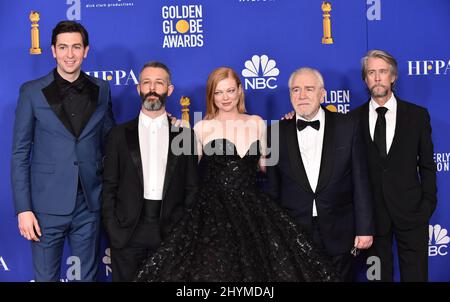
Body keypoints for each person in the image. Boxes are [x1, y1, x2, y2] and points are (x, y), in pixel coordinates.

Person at [134, 67, 338, 282]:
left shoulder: (257, 123)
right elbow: (182, 172)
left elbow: (269, 167)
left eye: (230, 91)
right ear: (211, 95)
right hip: (212, 214)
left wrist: (291, 124)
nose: (225, 98)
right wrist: (170, 128)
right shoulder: (202, 127)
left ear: (240, 90)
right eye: (218, 92)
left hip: (254, 211)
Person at [10, 20, 115, 281]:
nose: (70, 54)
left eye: (76, 47)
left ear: (86, 51)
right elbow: (20, 154)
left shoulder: (102, 90)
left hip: (88, 205)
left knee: (86, 278)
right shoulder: (32, 92)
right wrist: (23, 209)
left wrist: (157, 120)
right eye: (64, 47)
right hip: (44, 208)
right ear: (53, 51)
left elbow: (112, 141)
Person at [266, 67, 374, 281]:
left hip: (339, 230)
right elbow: (273, 188)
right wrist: (274, 234)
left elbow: (360, 181)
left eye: (308, 89)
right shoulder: (275, 132)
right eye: (295, 90)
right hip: (294, 232)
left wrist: (365, 228)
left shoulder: (348, 125)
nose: (302, 95)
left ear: (322, 94)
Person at [102, 61, 199, 282]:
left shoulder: (184, 136)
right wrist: (114, 229)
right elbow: (109, 186)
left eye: (159, 83)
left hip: (170, 232)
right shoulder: (118, 135)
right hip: (127, 233)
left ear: (169, 89)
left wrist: (181, 227)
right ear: (139, 88)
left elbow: (192, 187)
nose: (152, 88)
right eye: (146, 82)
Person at [350, 50, 437, 281]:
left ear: (393, 76)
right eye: (371, 72)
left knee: (416, 277)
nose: (377, 78)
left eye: (382, 72)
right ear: (365, 79)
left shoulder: (417, 116)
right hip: (372, 219)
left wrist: (427, 205)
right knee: (377, 278)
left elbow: (428, 165)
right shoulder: (351, 120)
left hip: (412, 214)